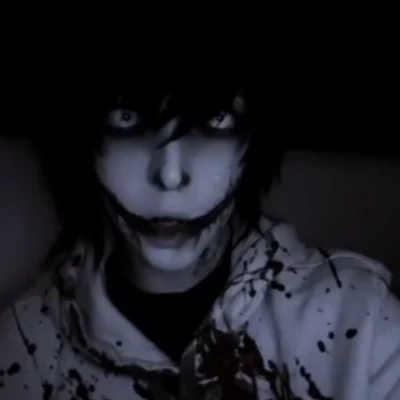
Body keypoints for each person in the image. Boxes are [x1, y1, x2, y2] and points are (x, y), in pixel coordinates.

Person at [0, 77, 399, 400]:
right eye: (127, 119)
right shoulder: (23, 354)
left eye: (215, 120)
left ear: (253, 140)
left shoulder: (359, 322)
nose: (170, 175)